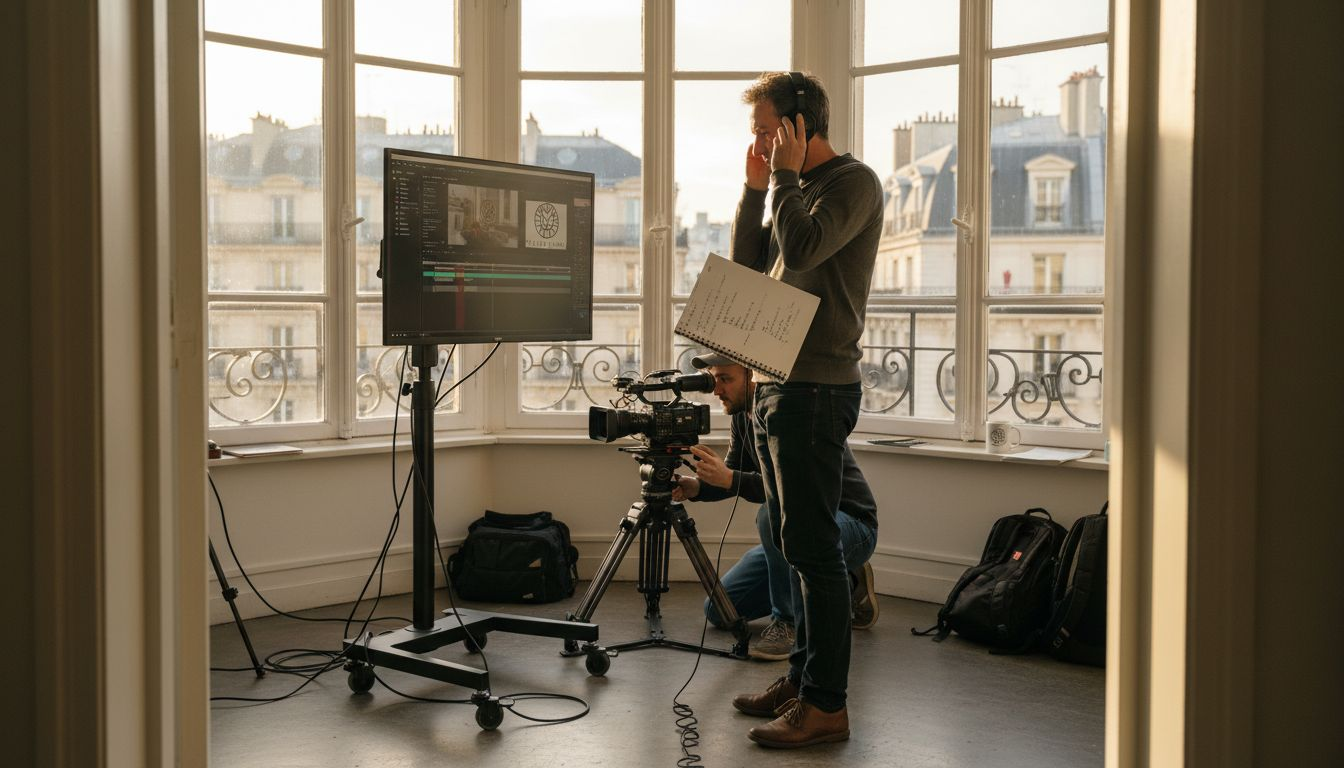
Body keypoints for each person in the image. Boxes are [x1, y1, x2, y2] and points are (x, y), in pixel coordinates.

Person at [727, 72, 884, 749]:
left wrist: (785, 179)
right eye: (756, 132)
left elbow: (803, 249)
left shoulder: (853, 184)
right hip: (773, 383)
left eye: (767, 129)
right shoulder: (791, 189)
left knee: (815, 552)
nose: (759, 141)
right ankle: (801, 677)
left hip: (816, 387)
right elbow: (747, 264)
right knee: (792, 546)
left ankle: (826, 707)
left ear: (800, 126)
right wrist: (756, 188)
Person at [672, 354, 880, 664]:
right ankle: (844, 584)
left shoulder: (791, 413)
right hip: (797, 528)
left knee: (771, 515)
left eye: (725, 379)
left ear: (753, 376)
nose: (717, 390)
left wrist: (730, 478)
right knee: (718, 610)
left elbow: (791, 493)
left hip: (850, 523)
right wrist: (699, 488)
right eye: (714, 380)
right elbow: (736, 475)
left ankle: (788, 622)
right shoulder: (743, 416)